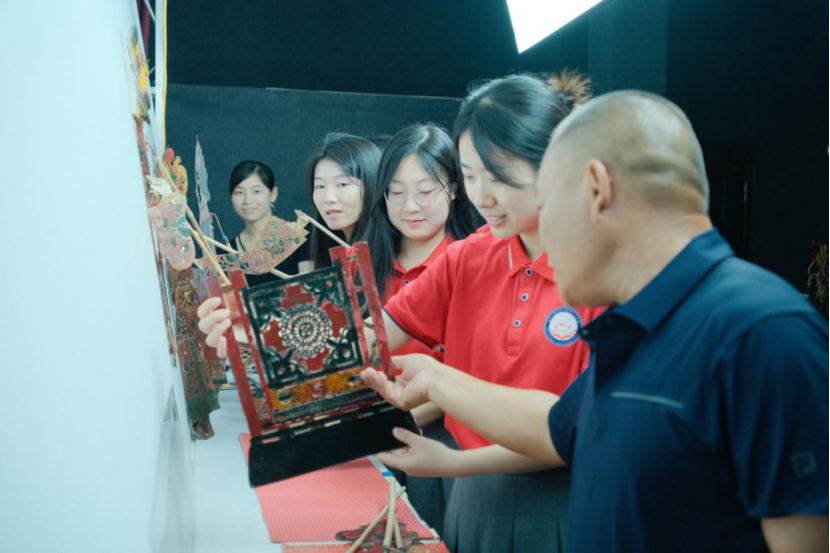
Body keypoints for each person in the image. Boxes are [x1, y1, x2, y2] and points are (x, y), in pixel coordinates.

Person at [360, 91, 830, 553]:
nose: (537, 233)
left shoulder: (766, 335)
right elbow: (558, 428)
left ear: (596, 189)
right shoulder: (633, 324)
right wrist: (435, 383)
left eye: (549, 200)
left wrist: (438, 383)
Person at [198, 71, 605, 553]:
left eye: (499, 177)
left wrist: (448, 435)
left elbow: (573, 430)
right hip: (473, 497)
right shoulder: (469, 257)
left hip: (567, 503)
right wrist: (253, 332)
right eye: (472, 176)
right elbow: (363, 339)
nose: (483, 197)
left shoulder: (602, 272)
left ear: (556, 165)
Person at [358, 123, 477, 534]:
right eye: (396, 192)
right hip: (374, 437)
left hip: (441, 439)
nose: (410, 206)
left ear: (455, 188)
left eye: (425, 191)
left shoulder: (470, 263)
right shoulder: (368, 263)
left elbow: (463, 372)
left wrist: (390, 429)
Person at [303, 133, 381, 270]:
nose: (329, 198)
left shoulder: (389, 254)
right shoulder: (329, 245)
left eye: (342, 184)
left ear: (371, 184)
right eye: (320, 186)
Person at [226, 160, 305, 285]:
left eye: (256, 191)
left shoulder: (299, 236)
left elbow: (312, 289)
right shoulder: (226, 252)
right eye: (239, 192)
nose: (247, 200)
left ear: (273, 193)